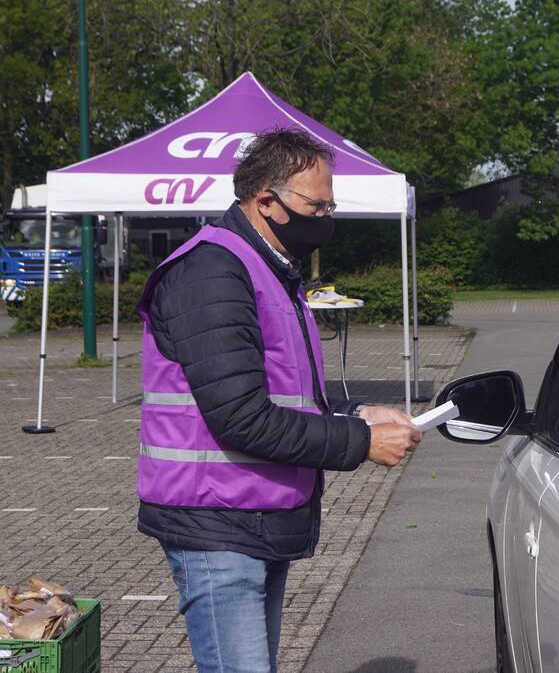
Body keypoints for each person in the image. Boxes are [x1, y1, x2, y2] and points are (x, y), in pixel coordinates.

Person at [135, 128, 422, 672]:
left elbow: (281, 397)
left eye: (330, 205)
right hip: (218, 525)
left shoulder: (267, 269)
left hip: (253, 516)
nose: (326, 218)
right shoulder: (213, 273)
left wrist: (357, 414)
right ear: (265, 200)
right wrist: (361, 442)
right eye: (317, 205)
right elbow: (242, 419)